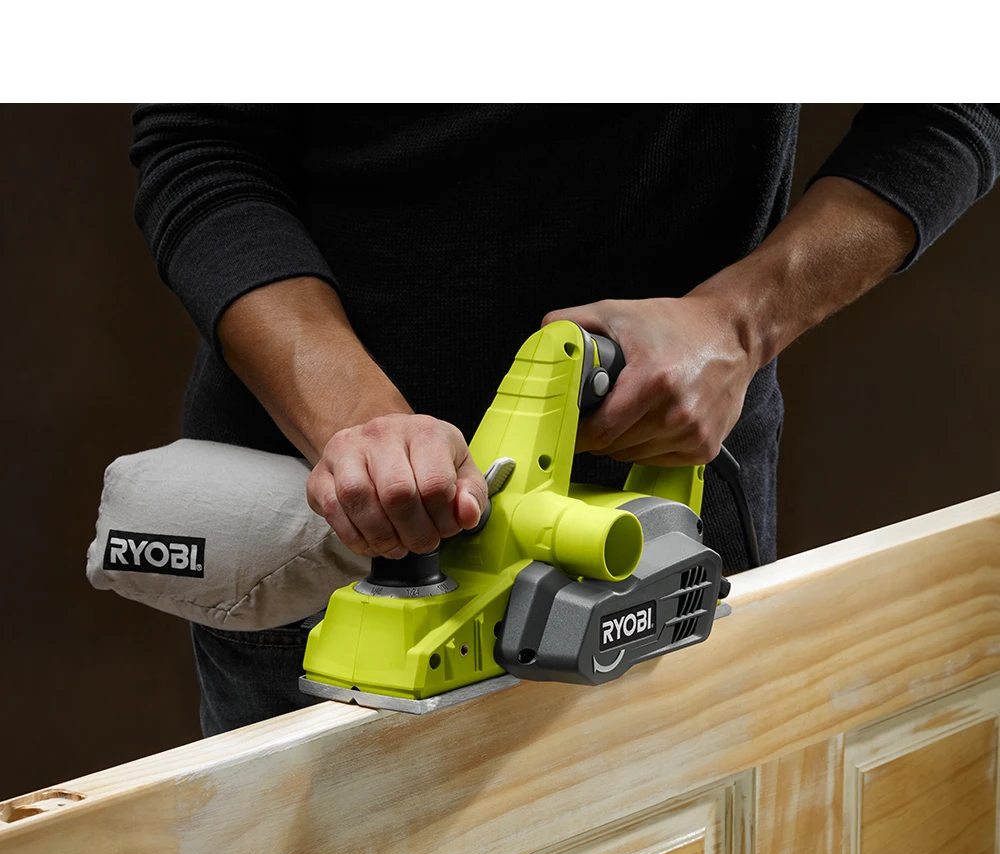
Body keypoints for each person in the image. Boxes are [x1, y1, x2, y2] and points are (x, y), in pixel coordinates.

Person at [130, 104, 1000, 736]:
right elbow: (205, 142)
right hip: (329, 528)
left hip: (666, 517)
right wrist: (361, 425)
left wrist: (740, 322)